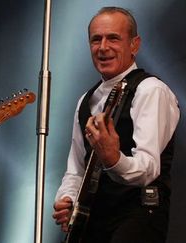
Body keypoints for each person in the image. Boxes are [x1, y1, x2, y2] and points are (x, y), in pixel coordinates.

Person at [52, 6, 180, 243]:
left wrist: (114, 159)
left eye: (113, 38)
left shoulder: (151, 90)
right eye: (96, 40)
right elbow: (75, 170)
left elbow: (148, 168)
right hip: (94, 220)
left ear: (134, 45)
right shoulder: (85, 101)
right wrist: (67, 199)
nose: (103, 47)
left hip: (137, 217)